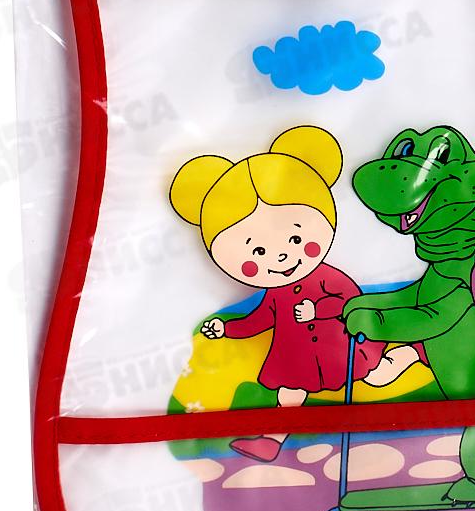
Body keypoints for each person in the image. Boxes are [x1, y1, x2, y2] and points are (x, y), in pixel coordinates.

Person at [170, 125, 417, 462]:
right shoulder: (275, 294)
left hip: (342, 346)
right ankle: (270, 440)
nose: (281, 257)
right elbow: (259, 320)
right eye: (258, 252)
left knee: (377, 375)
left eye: (296, 239)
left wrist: (320, 311)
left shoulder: (330, 277)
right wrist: (226, 328)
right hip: (300, 358)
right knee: (289, 395)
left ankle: (414, 351)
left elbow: (350, 301)